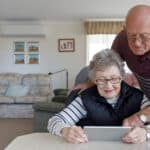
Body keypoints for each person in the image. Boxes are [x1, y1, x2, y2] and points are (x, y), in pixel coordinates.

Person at [68, 5, 150, 143]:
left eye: (145, 37)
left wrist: (140, 117)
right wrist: (90, 82)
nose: (137, 43)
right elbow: (109, 65)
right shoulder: (122, 39)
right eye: (132, 36)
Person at [48, 49, 150, 144]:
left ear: (122, 77)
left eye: (114, 78)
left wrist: (145, 133)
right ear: (94, 80)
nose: (108, 86)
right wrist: (65, 131)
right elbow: (54, 121)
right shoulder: (85, 98)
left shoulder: (139, 96)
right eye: (101, 79)